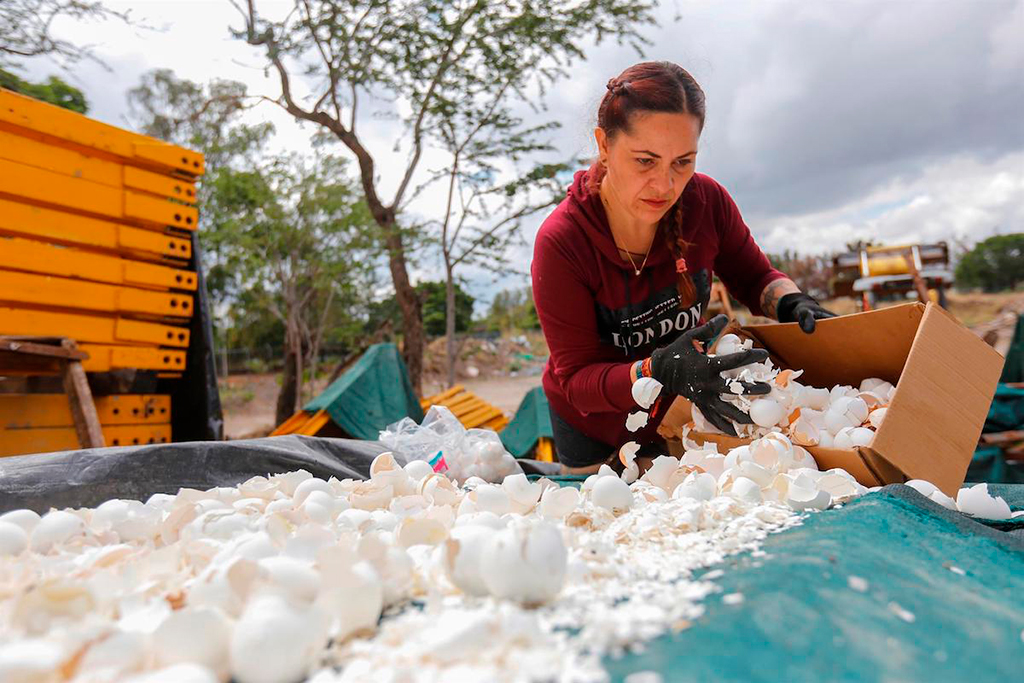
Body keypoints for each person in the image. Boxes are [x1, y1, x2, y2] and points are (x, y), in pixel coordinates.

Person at [531, 61, 836, 473]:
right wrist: (655, 369)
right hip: (596, 431)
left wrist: (792, 302)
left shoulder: (706, 203)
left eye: (682, 161)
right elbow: (578, 382)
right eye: (645, 161)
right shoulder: (563, 242)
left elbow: (756, 278)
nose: (665, 185)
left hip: (684, 414)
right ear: (604, 145)